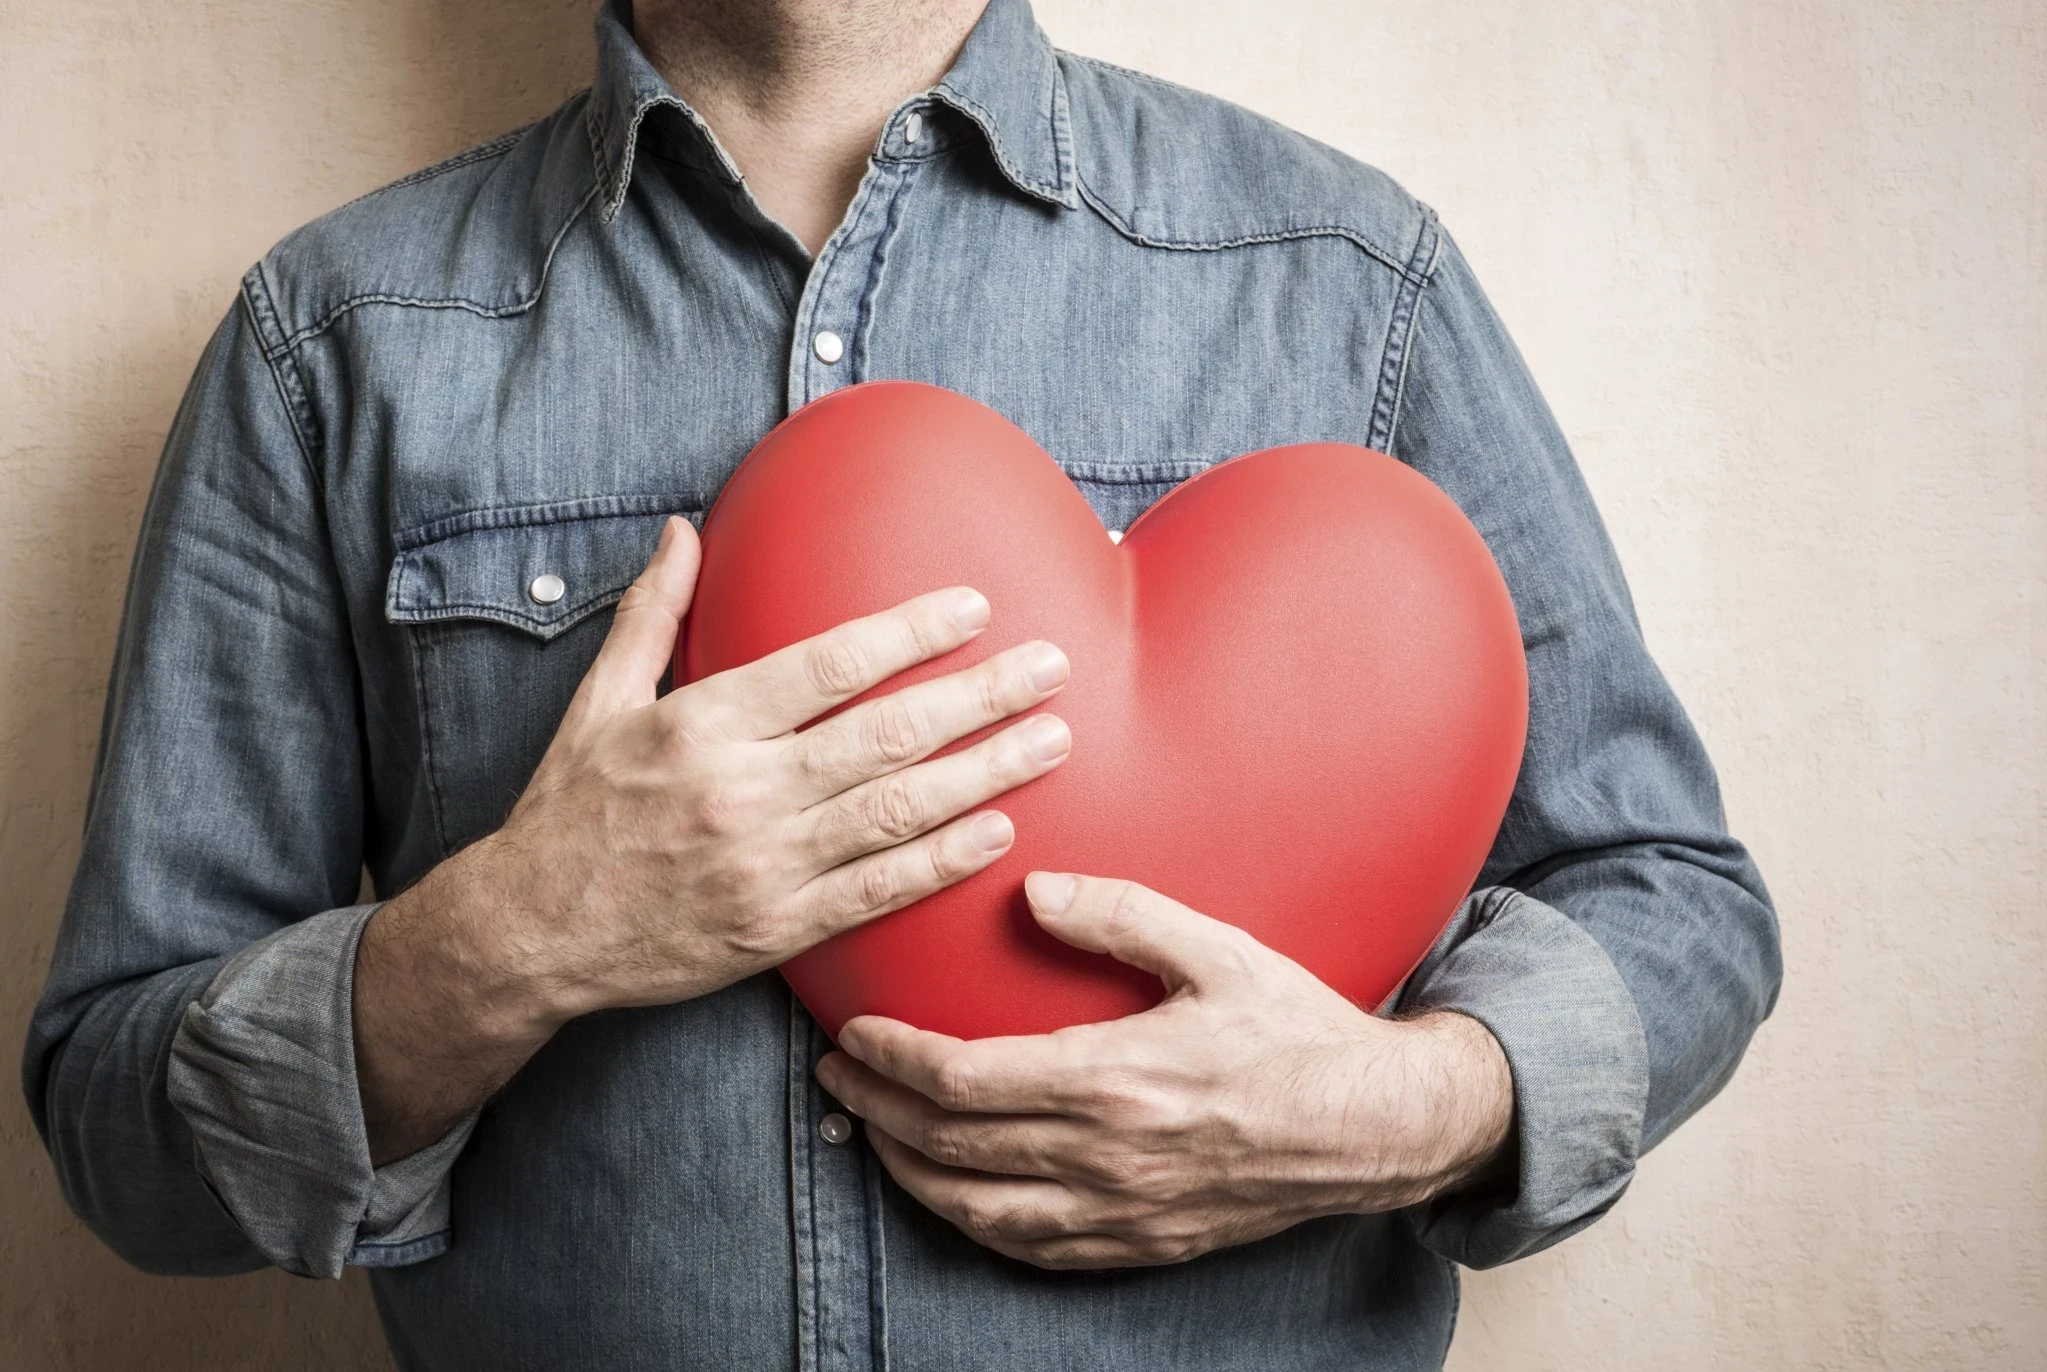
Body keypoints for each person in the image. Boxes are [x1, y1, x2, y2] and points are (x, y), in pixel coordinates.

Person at [21, 0, 1782, 1366]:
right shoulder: (334, 344)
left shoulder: (1345, 284)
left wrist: (1405, 1110)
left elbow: (1672, 898)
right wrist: (517, 934)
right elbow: (125, 1135)